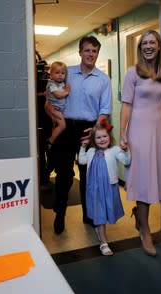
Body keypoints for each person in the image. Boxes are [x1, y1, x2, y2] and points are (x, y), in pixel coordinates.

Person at [45, 36, 112, 234]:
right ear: (80, 52)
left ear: (97, 53)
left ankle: (88, 214)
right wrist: (50, 112)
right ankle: (60, 213)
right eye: (87, 50)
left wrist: (94, 130)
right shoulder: (67, 74)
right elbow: (50, 98)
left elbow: (104, 110)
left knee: (87, 175)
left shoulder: (103, 80)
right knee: (64, 175)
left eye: (94, 51)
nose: (90, 54)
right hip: (67, 129)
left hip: (89, 130)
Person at [120, 30, 161, 256]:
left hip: (158, 132)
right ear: (140, 47)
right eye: (144, 43)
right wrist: (123, 133)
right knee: (143, 180)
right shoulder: (132, 73)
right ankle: (145, 229)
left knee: (156, 179)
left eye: (152, 42)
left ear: (159, 46)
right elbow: (126, 105)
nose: (148, 46)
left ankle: (140, 218)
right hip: (138, 133)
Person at [78, 120, 131, 256]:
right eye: (98, 137)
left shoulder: (114, 150)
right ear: (94, 140)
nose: (102, 140)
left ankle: (100, 232)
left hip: (108, 188)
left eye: (105, 136)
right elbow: (82, 160)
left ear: (110, 137)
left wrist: (127, 149)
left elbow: (126, 161)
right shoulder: (90, 151)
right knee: (100, 213)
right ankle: (103, 243)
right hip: (94, 189)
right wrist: (83, 148)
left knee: (105, 212)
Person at [45, 61, 70, 150]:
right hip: (55, 109)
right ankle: (50, 140)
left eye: (63, 73)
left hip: (59, 109)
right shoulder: (52, 84)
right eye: (57, 72)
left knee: (56, 124)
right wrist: (66, 91)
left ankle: (53, 137)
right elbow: (58, 95)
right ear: (51, 74)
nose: (60, 75)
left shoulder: (61, 83)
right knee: (62, 126)